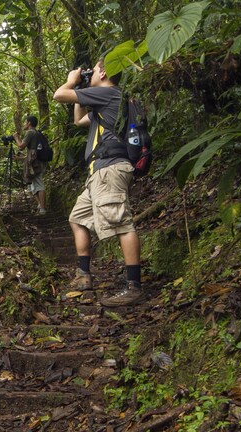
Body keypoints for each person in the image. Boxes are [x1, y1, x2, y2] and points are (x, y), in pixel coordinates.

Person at [52, 59, 144, 307]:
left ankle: (134, 286)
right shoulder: (108, 101)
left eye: (94, 69)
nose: (90, 73)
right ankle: (83, 276)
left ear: (103, 72)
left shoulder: (108, 93)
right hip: (99, 174)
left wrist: (72, 82)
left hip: (110, 169)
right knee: (77, 218)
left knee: (122, 224)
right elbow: (79, 120)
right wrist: (81, 92)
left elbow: (59, 95)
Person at [13, 115, 46, 215]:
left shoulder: (30, 132)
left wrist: (16, 138)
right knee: (31, 185)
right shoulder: (36, 133)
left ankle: (43, 209)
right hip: (37, 161)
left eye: (25, 122)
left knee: (38, 184)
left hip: (35, 163)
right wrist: (20, 158)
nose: (24, 124)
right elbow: (32, 152)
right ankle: (40, 205)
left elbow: (21, 146)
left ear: (29, 123)